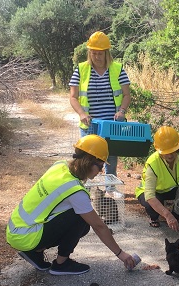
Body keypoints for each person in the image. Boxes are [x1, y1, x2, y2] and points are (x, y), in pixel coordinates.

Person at [6, 134, 136, 275]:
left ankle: (34, 252)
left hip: (16, 231)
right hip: (26, 237)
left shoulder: (60, 165)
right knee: (81, 218)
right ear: (90, 163)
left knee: (82, 222)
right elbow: (99, 226)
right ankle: (61, 264)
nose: (101, 171)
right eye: (101, 166)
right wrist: (121, 254)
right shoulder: (75, 191)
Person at [69, 31, 131, 193]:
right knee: (87, 158)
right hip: (89, 124)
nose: (96, 56)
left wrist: (122, 111)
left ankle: (110, 188)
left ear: (106, 53)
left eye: (100, 53)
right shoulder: (81, 70)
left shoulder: (118, 69)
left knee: (110, 157)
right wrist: (82, 114)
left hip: (111, 124)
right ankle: (84, 190)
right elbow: (73, 97)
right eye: (93, 53)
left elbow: (126, 95)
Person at [135, 126, 179, 231]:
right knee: (152, 206)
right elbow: (150, 196)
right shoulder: (153, 163)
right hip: (153, 193)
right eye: (166, 152)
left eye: (173, 150)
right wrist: (167, 215)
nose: (170, 155)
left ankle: (177, 216)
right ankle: (154, 218)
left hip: (172, 189)